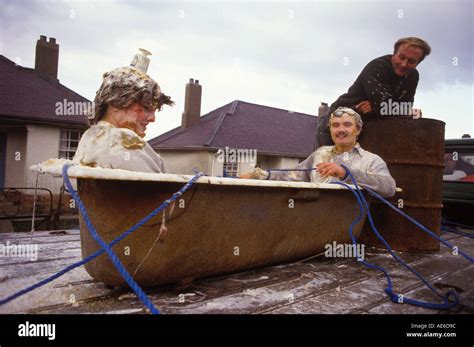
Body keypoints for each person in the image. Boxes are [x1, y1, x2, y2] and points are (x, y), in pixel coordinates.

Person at [241, 107, 397, 197]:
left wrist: (347, 173)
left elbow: (389, 187)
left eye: (347, 125)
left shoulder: (371, 160)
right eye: (335, 125)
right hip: (314, 224)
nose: (341, 130)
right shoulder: (321, 153)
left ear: (358, 130)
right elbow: (294, 175)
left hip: (348, 229)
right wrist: (260, 175)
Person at [316, 37, 431, 148]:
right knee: (326, 163)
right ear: (394, 54)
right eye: (401, 57)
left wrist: (379, 108)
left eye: (411, 61)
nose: (404, 64)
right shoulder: (378, 67)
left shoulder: (413, 76)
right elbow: (385, 106)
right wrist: (387, 109)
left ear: (418, 63)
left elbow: (404, 107)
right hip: (339, 122)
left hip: (368, 128)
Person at [73, 50, 174, 173]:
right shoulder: (120, 141)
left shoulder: (89, 137)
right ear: (117, 103)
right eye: (146, 108)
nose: (153, 118)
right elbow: (157, 189)